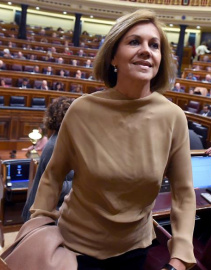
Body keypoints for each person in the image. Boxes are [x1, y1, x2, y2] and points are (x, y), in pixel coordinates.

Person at [29, 9, 196, 270]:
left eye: (154, 45)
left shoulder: (173, 117)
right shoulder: (82, 110)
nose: (146, 50)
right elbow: (52, 176)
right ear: (113, 56)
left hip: (134, 251)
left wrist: (180, 255)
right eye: (134, 42)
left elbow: (184, 194)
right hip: (73, 250)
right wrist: (39, 228)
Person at [22, 97, 74, 222]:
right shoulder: (58, 144)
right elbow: (57, 187)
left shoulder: (61, 139)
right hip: (45, 217)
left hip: (50, 212)